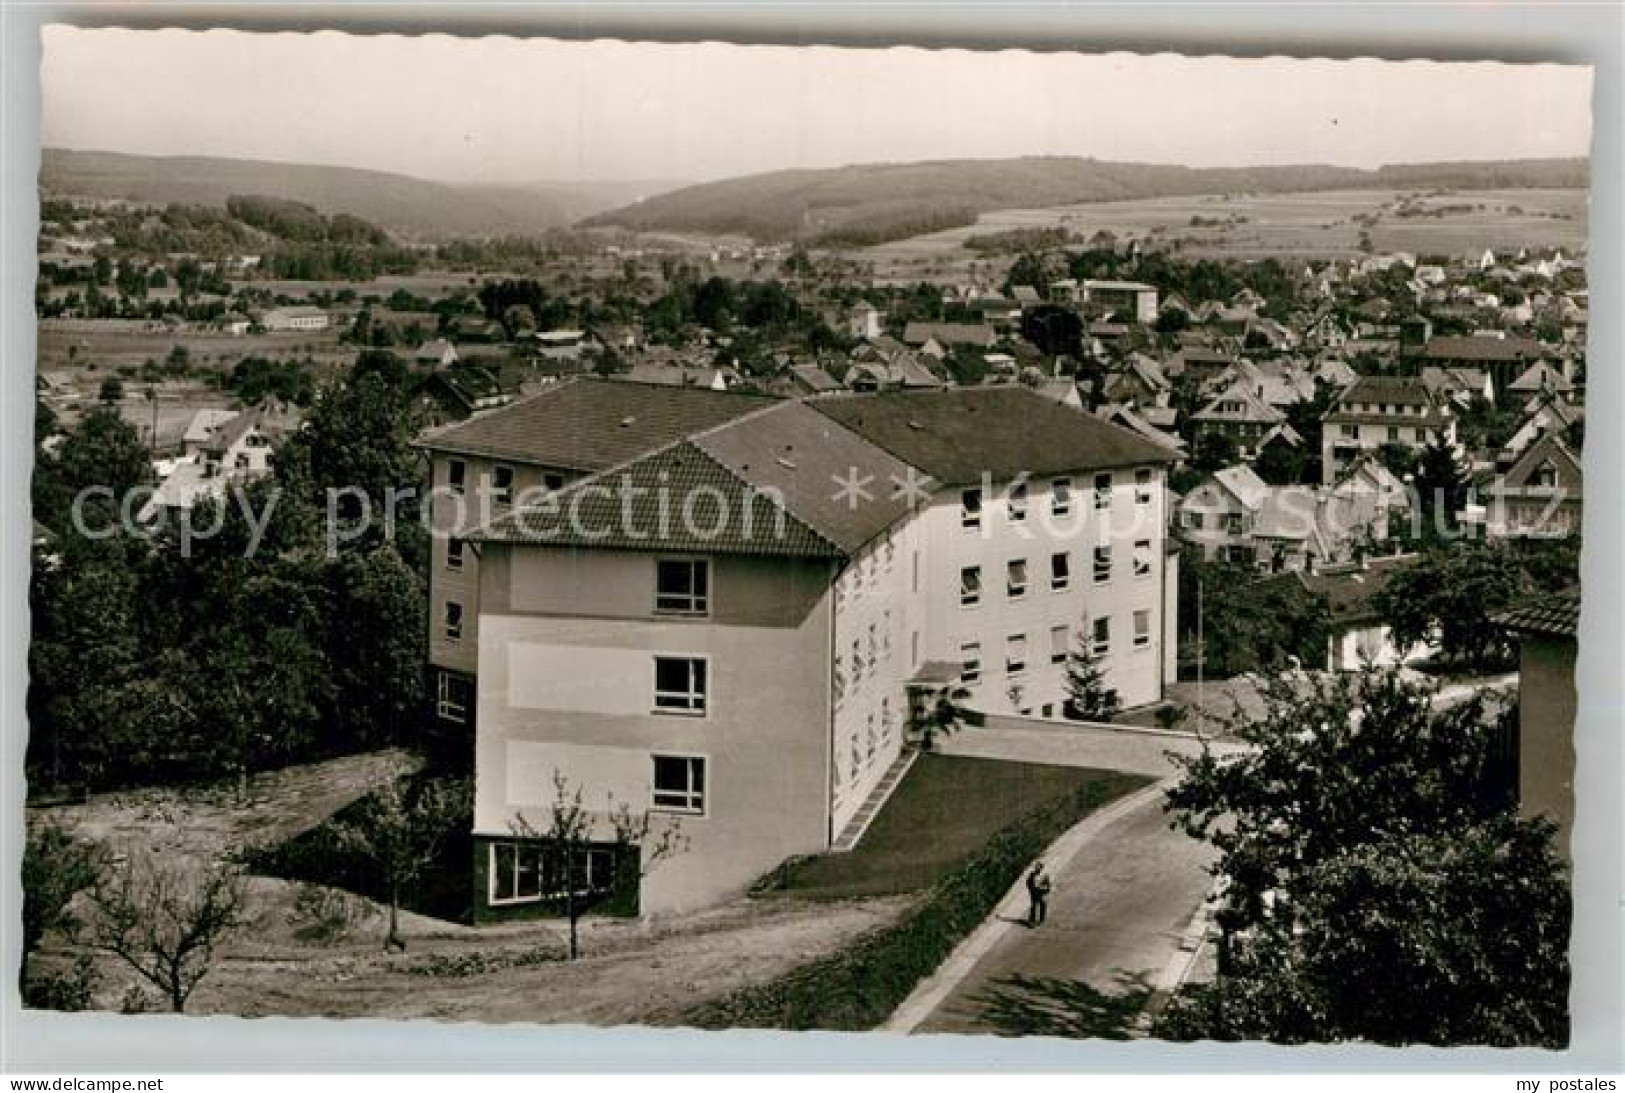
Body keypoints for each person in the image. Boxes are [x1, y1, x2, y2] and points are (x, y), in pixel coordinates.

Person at [1025, 861, 1052, 927]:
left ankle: (1041, 919)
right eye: (1036, 868)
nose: (1037, 869)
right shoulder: (1032, 875)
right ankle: (1032, 921)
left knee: (1042, 904)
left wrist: (1047, 889)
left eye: (1039, 867)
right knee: (1034, 905)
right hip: (1034, 892)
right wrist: (1031, 890)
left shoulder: (1044, 875)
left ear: (1041, 868)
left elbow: (1048, 883)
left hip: (1040, 891)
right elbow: (1028, 883)